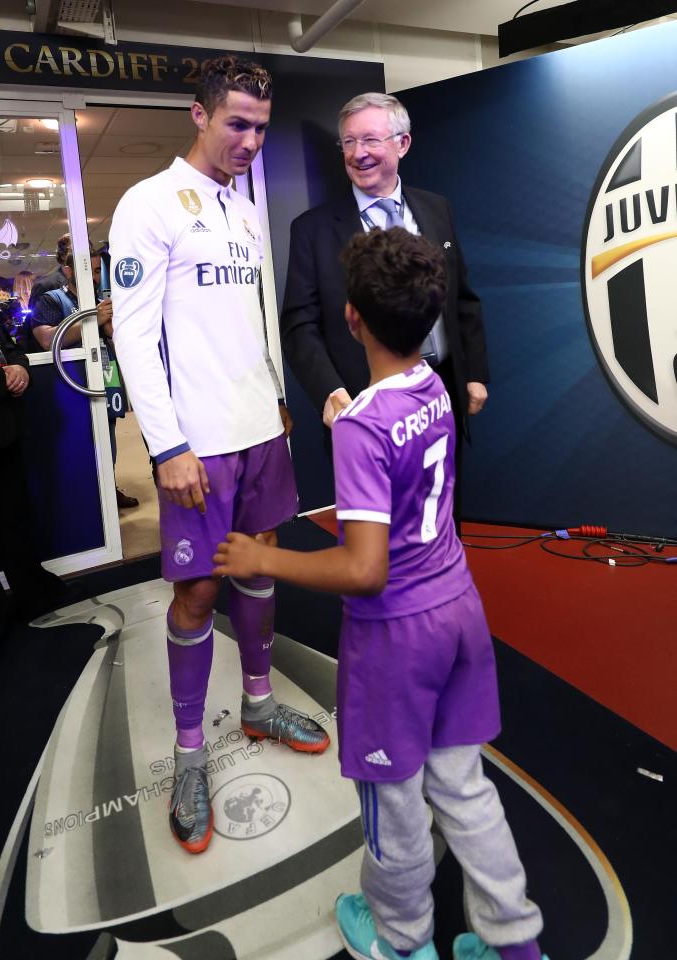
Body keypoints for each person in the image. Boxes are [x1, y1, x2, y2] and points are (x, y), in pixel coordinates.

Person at [214, 229, 548, 960]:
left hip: (396, 637)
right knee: (463, 787)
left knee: (392, 804)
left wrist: (263, 559)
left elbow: (364, 569)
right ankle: (515, 941)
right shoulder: (432, 383)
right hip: (457, 608)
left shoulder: (363, 427)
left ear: (352, 318)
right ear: (429, 318)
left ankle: (400, 940)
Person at [109, 55, 330, 856]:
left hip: (258, 431)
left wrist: (274, 397)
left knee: (263, 570)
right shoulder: (149, 204)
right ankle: (189, 755)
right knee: (199, 593)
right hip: (196, 446)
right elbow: (132, 334)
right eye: (237, 122)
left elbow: (249, 322)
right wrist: (165, 444)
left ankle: (260, 702)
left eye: (262, 127)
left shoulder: (241, 209)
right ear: (197, 115)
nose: (251, 140)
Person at [280, 92, 489, 522]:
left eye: (371, 140)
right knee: (380, 538)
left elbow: (462, 298)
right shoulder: (312, 231)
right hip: (364, 404)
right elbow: (300, 324)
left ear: (402, 144)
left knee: (443, 516)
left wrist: (474, 374)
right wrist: (330, 391)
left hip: (442, 390)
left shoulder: (436, 209)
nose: (358, 154)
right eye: (349, 143)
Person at [0, 260, 75, 664]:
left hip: (6, 434)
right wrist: (2, 379)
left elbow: (13, 347)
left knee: (15, 519)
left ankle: (31, 593)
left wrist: (19, 367)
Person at [28, 252, 139, 510]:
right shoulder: (51, 299)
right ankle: (83, 501)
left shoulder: (103, 301)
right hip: (73, 382)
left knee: (108, 437)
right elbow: (47, 340)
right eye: (88, 269)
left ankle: (108, 489)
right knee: (77, 441)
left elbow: (119, 340)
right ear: (68, 272)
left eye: (99, 270)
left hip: (105, 377)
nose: (94, 276)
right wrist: (93, 320)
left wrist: (111, 324)